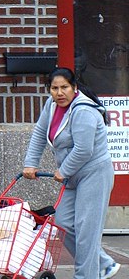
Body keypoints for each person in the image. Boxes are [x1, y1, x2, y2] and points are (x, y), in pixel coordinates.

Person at [23, 67, 120, 279]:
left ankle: (86, 275)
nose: (59, 93)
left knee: (87, 231)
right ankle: (103, 263)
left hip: (94, 173)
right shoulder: (52, 105)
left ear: (74, 88)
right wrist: (30, 163)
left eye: (64, 87)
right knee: (62, 223)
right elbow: (40, 132)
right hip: (72, 175)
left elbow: (84, 149)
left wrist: (63, 170)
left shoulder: (84, 110)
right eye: (54, 88)